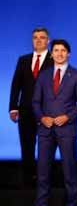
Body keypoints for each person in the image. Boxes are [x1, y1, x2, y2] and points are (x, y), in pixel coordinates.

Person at [28, 39, 77, 206]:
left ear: (68, 53)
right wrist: (42, 117)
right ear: (51, 54)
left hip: (67, 129)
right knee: (43, 170)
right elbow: (35, 102)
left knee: (69, 169)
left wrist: (68, 117)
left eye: (63, 50)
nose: (59, 53)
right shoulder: (43, 75)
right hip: (45, 129)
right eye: (56, 50)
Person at [9, 27, 52, 187]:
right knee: (26, 147)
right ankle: (28, 182)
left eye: (42, 37)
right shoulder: (23, 60)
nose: (38, 40)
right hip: (26, 111)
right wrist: (13, 107)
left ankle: (44, 181)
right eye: (35, 37)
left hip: (47, 112)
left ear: (48, 40)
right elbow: (16, 85)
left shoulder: (54, 59)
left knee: (46, 148)